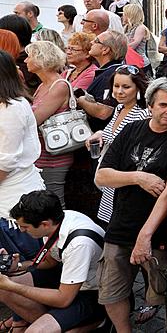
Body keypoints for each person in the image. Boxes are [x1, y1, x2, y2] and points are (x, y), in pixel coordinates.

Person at [94, 79, 167, 331]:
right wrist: (138, 177)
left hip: (160, 230)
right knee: (112, 289)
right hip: (121, 223)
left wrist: (145, 235)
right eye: (163, 105)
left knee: (165, 292)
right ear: (150, 105)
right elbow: (102, 175)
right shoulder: (132, 130)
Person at [0, 190, 105, 332]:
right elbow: (50, 262)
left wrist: (13, 286)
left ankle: (94, 322)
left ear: (44, 224)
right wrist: (17, 266)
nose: (22, 231)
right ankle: (57, 324)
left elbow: (63, 299)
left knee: (35, 331)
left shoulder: (78, 244)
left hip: (94, 294)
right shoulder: (58, 220)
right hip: (67, 277)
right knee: (3, 288)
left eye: (25, 227)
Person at [87, 65, 151, 224]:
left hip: (125, 180)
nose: (119, 91)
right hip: (110, 179)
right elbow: (113, 134)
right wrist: (100, 134)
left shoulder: (143, 113)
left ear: (138, 88)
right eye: (116, 86)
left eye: (126, 87)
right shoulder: (119, 108)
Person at [0, 50, 45, 264]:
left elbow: (6, 162)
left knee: (21, 267)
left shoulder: (12, 108)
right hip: (8, 196)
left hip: (14, 200)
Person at [26, 41, 75, 207]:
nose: (26, 61)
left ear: (41, 59)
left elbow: (35, 119)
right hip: (42, 154)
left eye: (29, 56)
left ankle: (62, 232)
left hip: (54, 156)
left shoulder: (59, 86)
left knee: (54, 203)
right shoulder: (43, 85)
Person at [76, 30, 128, 131]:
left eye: (96, 41)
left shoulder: (111, 74)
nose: (91, 42)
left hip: (106, 137)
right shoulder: (109, 71)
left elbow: (104, 112)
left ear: (105, 50)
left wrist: (81, 101)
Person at [122, 4, 151, 76]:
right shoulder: (126, 27)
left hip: (140, 63)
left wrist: (123, 45)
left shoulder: (140, 28)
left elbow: (133, 45)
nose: (122, 16)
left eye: (124, 14)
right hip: (129, 62)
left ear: (130, 15)